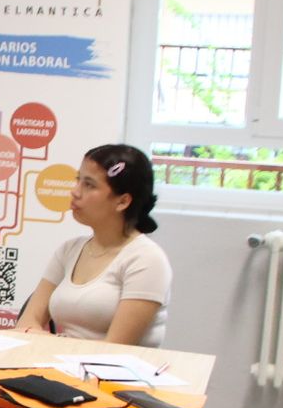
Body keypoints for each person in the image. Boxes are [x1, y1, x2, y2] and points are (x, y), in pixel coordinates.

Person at [16, 143, 171, 348]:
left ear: (123, 201)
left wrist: (50, 342)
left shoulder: (147, 260)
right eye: (78, 180)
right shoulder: (69, 250)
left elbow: (114, 349)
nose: (75, 192)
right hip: (62, 369)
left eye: (89, 185)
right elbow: (27, 324)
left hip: (115, 377)